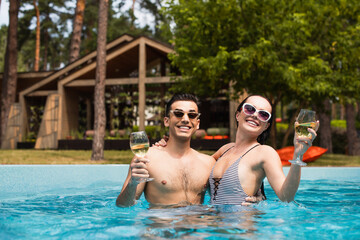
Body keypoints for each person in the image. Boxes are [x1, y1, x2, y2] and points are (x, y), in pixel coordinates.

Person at [209, 95, 318, 204]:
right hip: (212, 219)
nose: (255, 115)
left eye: (263, 115)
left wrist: (298, 155)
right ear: (238, 115)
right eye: (250, 109)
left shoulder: (265, 153)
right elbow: (199, 166)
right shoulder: (224, 150)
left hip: (239, 219)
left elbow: (286, 197)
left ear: (266, 126)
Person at [116, 93, 215, 207]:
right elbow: (122, 205)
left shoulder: (208, 163)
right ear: (166, 121)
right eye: (178, 114)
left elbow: (220, 203)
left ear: (197, 124)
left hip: (197, 223)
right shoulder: (147, 159)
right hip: (163, 223)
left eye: (192, 115)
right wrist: (132, 184)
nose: (185, 119)